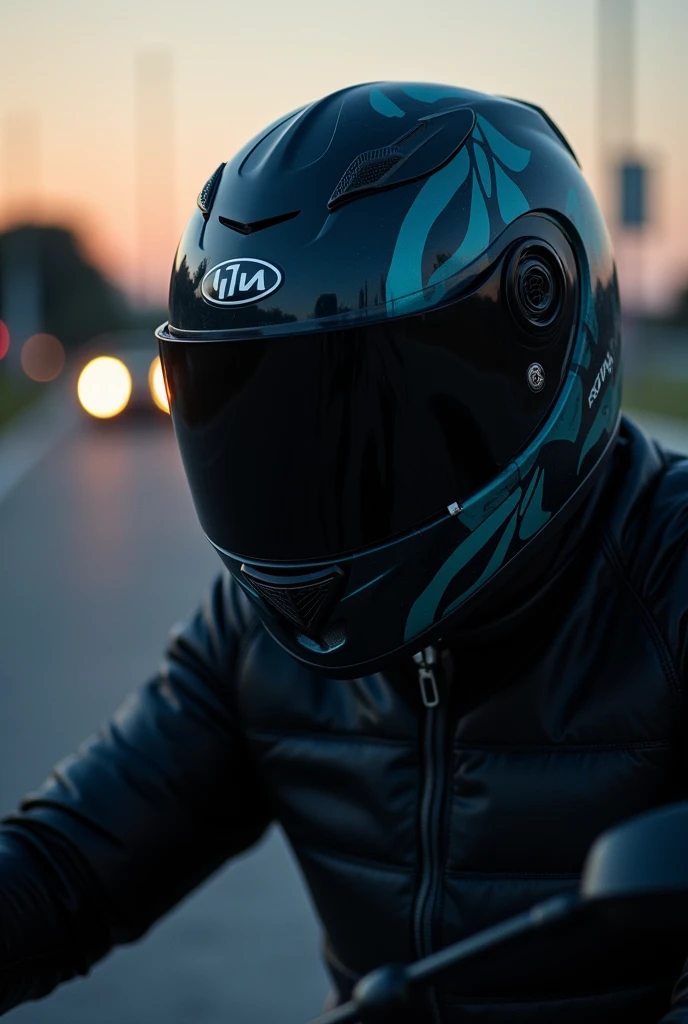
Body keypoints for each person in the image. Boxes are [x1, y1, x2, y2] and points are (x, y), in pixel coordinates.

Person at [1, 81, 688, 1024]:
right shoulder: (255, 641)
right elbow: (62, 867)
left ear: (541, 335)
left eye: (368, 430)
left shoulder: (671, 573)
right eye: (267, 427)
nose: (307, 490)